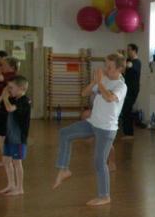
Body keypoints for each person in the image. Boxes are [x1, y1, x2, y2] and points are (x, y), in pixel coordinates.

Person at [53, 54, 127, 206]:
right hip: (93, 123)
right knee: (65, 133)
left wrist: (99, 82)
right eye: (105, 66)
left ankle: (104, 196)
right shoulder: (104, 80)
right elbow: (84, 93)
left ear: (119, 69)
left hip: (106, 129)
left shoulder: (121, 86)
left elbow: (109, 98)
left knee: (99, 162)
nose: (106, 69)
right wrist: (95, 81)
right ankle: (64, 169)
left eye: (110, 67)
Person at [0, 75, 31, 196]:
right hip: (9, 136)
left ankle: (20, 188)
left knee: (17, 163)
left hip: (18, 138)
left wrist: (5, 97)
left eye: (11, 87)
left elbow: (10, 109)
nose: (9, 90)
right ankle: (11, 184)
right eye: (8, 88)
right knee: (6, 161)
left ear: (21, 88)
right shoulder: (13, 99)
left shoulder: (25, 101)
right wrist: (2, 96)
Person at [120, 43, 141, 139]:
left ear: (134, 51)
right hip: (126, 89)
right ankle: (127, 132)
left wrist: (121, 59)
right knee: (125, 110)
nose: (127, 51)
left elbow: (128, 65)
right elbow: (123, 69)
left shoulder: (137, 62)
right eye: (127, 50)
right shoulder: (128, 60)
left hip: (132, 90)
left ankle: (129, 134)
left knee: (126, 109)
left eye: (129, 50)